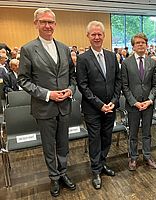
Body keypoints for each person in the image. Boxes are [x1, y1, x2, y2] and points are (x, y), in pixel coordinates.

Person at [18, 8, 77, 197]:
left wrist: (70, 90)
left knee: (63, 144)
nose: (47, 25)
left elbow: (73, 77)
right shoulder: (28, 49)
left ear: (55, 24)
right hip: (45, 107)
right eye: (43, 22)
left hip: (64, 106)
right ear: (35, 24)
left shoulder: (64, 47)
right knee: (49, 146)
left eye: (51, 22)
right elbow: (23, 80)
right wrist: (48, 94)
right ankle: (54, 177)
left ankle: (63, 173)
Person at [76, 21, 121, 189]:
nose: (96, 37)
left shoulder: (111, 56)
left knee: (106, 137)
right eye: (93, 34)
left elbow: (118, 80)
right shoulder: (82, 59)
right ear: (88, 36)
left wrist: (114, 101)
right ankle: (95, 170)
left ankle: (102, 163)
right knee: (95, 139)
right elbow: (83, 86)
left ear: (104, 36)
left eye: (99, 34)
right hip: (93, 109)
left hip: (111, 107)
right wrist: (100, 104)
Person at [121, 33, 156, 171]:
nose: (141, 45)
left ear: (146, 45)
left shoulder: (152, 62)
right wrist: (134, 102)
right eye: (137, 43)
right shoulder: (126, 63)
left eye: (143, 42)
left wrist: (150, 100)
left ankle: (147, 156)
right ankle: (133, 157)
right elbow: (124, 86)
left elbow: (155, 85)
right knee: (133, 133)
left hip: (148, 104)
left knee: (147, 132)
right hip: (133, 105)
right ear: (133, 46)